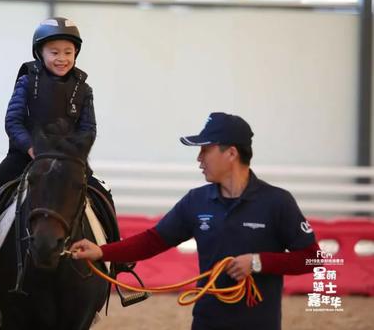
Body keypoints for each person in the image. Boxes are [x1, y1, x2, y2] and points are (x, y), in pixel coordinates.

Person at [70, 112, 320, 330]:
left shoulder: (277, 202)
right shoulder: (196, 201)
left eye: (206, 149)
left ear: (231, 153)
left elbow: (313, 259)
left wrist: (258, 262)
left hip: (259, 324)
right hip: (207, 322)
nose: (199, 159)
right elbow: (153, 241)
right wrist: (102, 252)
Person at [0, 17, 111, 267]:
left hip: (68, 161)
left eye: (68, 52)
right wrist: (31, 147)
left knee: (102, 193)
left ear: (76, 53)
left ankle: (114, 256)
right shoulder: (27, 81)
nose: (62, 58)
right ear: (40, 52)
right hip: (26, 155)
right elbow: (13, 121)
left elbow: (89, 129)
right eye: (54, 52)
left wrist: (75, 153)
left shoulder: (84, 89)